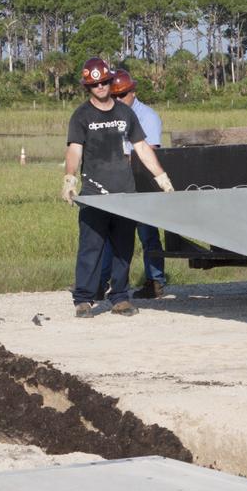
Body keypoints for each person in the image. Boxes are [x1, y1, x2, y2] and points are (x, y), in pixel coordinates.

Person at [62, 57, 175, 318]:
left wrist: (162, 177)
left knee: (124, 248)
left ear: (110, 81)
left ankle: (120, 298)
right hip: (94, 192)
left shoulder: (126, 114)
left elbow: (142, 147)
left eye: (104, 81)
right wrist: (69, 178)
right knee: (91, 246)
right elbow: (74, 149)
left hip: (125, 192)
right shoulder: (81, 116)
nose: (100, 87)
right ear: (87, 87)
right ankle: (83, 298)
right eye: (95, 84)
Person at [97, 69, 168, 299]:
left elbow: (150, 150)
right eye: (114, 95)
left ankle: (155, 281)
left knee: (147, 234)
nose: (117, 99)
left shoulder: (147, 116)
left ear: (133, 91)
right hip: (117, 183)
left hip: (142, 183)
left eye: (122, 94)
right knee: (110, 235)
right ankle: (102, 283)